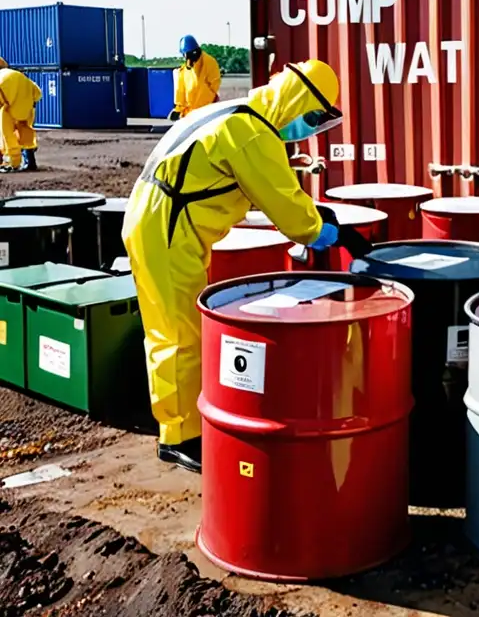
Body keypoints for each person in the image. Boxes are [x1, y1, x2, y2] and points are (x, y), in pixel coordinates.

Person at [122, 60, 371, 473]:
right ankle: (181, 437)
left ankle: (179, 422)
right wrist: (328, 231)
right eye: (312, 116)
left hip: (160, 222)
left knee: (171, 328)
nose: (308, 128)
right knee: (179, 334)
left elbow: (255, 193)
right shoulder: (253, 134)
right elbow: (295, 220)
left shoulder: (233, 115)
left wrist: (307, 214)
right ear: (296, 99)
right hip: (167, 229)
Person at [0, 57, 41, 173]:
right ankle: (31, 162)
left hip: (9, 109)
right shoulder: (19, 75)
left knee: (7, 135)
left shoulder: (2, 78)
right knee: (26, 135)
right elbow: (37, 93)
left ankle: (12, 163)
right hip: (27, 108)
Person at [171, 35, 221, 121]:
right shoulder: (185, 70)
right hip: (189, 114)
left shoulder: (209, 63)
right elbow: (181, 91)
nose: (186, 57)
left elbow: (214, 84)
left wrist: (211, 99)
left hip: (206, 112)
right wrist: (178, 109)